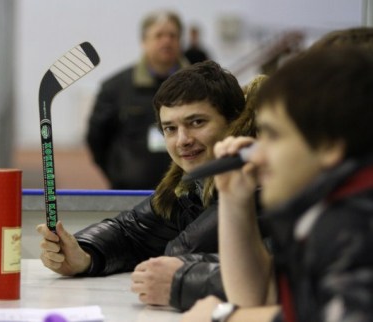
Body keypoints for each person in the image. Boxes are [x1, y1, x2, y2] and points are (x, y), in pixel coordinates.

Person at [38, 60, 252, 311]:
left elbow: (272, 273)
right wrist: (84, 255)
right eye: (170, 128)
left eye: (197, 122)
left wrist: (179, 282)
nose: (182, 140)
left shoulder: (261, 184)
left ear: (234, 122)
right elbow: (131, 231)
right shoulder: (187, 189)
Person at [182, 47, 373, 322]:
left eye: (273, 135)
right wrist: (234, 199)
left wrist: (223, 319)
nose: (257, 153)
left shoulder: (355, 224)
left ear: (329, 145)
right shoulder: (322, 213)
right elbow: (255, 299)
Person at [86, 10, 190, 190]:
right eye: (159, 35)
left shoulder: (199, 87)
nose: (166, 41)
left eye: (172, 36)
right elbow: (96, 138)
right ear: (144, 42)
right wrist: (118, 173)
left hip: (187, 193)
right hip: (130, 193)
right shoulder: (115, 88)